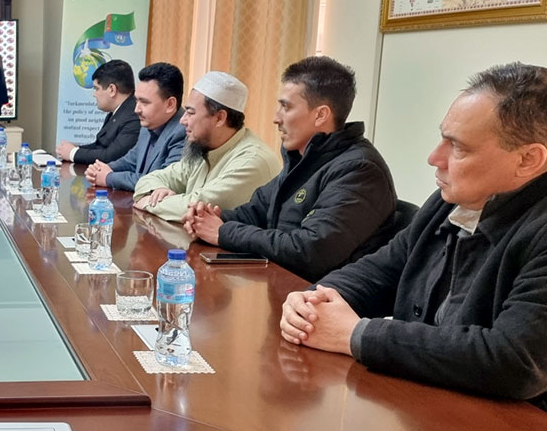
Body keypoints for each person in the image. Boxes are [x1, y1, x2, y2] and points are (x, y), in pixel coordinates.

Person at [280, 62, 547, 409]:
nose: (434, 158)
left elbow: (514, 361)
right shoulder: (447, 201)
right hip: (425, 412)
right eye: (443, 138)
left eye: (458, 148)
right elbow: (381, 270)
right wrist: (311, 302)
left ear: (528, 160)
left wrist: (357, 335)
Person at [183, 56, 399, 281]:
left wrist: (222, 232)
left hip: (319, 303)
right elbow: (255, 211)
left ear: (320, 115)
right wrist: (206, 219)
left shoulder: (359, 170)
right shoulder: (302, 158)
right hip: (283, 289)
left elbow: (310, 251)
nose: (276, 118)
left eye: (285, 107)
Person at [132, 71, 281, 222]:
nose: (182, 120)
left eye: (190, 113)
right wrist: (158, 190)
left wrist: (148, 202)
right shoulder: (205, 148)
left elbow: (196, 209)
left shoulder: (252, 161)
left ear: (219, 118)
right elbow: (150, 179)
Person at [86, 62, 187, 190]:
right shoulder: (148, 124)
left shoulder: (184, 132)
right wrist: (101, 169)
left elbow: (159, 183)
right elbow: (130, 161)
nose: (136, 109)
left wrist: (108, 177)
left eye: (144, 102)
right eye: (136, 100)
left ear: (170, 104)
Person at [58, 60, 141, 165]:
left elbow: (111, 156)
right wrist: (75, 149)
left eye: (96, 89)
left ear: (112, 89)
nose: (94, 94)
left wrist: (73, 153)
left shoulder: (134, 116)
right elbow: (100, 146)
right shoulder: (118, 111)